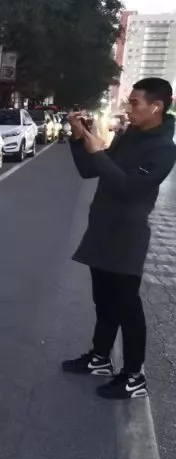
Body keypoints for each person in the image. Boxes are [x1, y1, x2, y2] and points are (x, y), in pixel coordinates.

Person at [62, 78, 176, 399]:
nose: (128, 108)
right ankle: (100, 358)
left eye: (135, 102)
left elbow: (129, 187)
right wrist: (79, 136)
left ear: (156, 107)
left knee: (128, 307)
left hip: (127, 237)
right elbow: (90, 170)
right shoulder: (129, 136)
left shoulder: (164, 148)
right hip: (102, 229)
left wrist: (100, 153)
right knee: (104, 301)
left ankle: (134, 376)